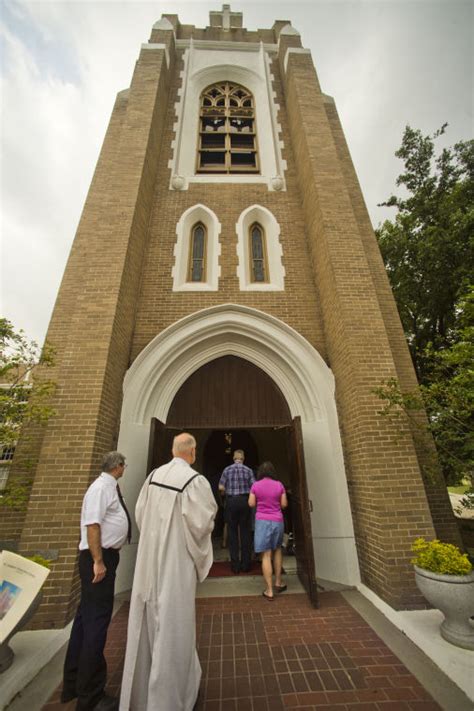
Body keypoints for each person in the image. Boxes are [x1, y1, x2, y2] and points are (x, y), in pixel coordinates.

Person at [119, 433, 217, 711]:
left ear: (173, 450)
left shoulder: (152, 477)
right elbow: (202, 523)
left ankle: (142, 695)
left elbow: (139, 514)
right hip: (175, 561)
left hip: (148, 560)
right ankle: (170, 699)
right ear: (193, 452)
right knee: (174, 622)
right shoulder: (194, 481)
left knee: (146, 618)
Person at [62, 451, 131, 711]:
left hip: (102, 558)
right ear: (117, 466)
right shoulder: (100, 488)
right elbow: (92, 525)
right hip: (97, 562)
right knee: (96, 624)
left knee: (84, 620)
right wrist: (98, 560)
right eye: (124, 465)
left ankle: (73, 681)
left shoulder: (108, 487)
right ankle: (91, 696)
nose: (125, 469)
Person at [248, 461, 288, 600]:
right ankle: (278, 582)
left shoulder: (255, 485)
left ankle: (269, 590)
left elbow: (251, 503)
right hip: (277, 520)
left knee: (266, 555)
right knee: (277, 550)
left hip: (262, 521)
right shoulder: (279, 485)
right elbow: (284, 504)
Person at [218, 449, 255, 573]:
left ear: (234, 458)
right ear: (243, 458)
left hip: (232, 501)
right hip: (245, 501)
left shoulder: (227, 470)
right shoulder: (248, 470)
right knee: (245, 533)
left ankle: (235, 566)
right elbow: (254, 487)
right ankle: (246, 565)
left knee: (232, 533)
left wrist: (226, 491)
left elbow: (221, 487)